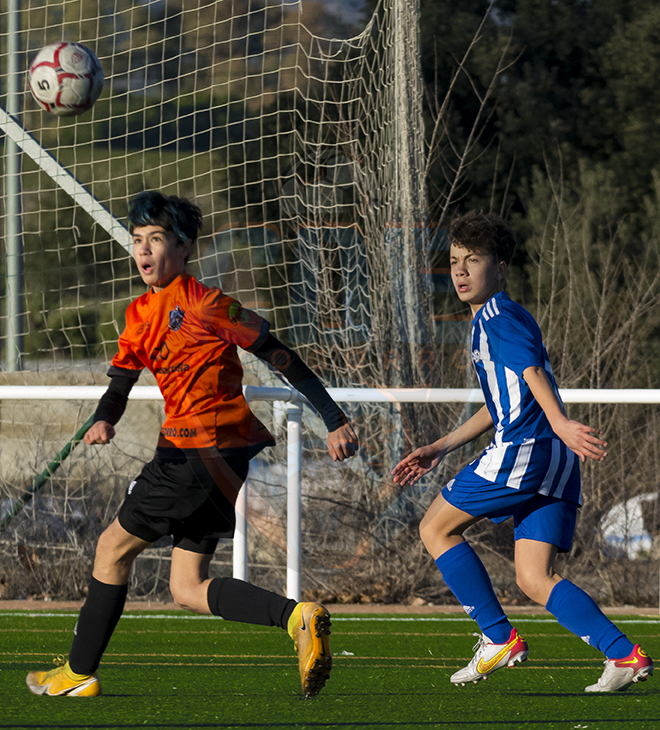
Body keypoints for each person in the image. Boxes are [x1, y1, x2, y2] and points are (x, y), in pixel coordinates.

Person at [26, 191, 359, 698]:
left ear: (182, 248)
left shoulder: (207, 302)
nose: (143, 250)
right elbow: (120, 383)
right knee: (186, 587)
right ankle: (298, 618)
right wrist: (105, 418)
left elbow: (278, 354)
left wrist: (333, 418)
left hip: (190, 453)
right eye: (137, 240)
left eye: (155, 239)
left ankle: (77, 673)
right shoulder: (138, 313)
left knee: (111, 549)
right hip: (223, 460)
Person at [392, 212, 653, 693]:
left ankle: (498, 637)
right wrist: (440, 446)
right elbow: (503, 401)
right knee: (534, 578)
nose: (461, 271)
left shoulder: (497, 318)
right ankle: (623, 655)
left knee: (434, 527)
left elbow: (532, 374)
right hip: (554, 458)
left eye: (473, 260)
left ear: (500, 268)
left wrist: (560, 422)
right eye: (455, 260)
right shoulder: (501, 316)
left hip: (526, 450)